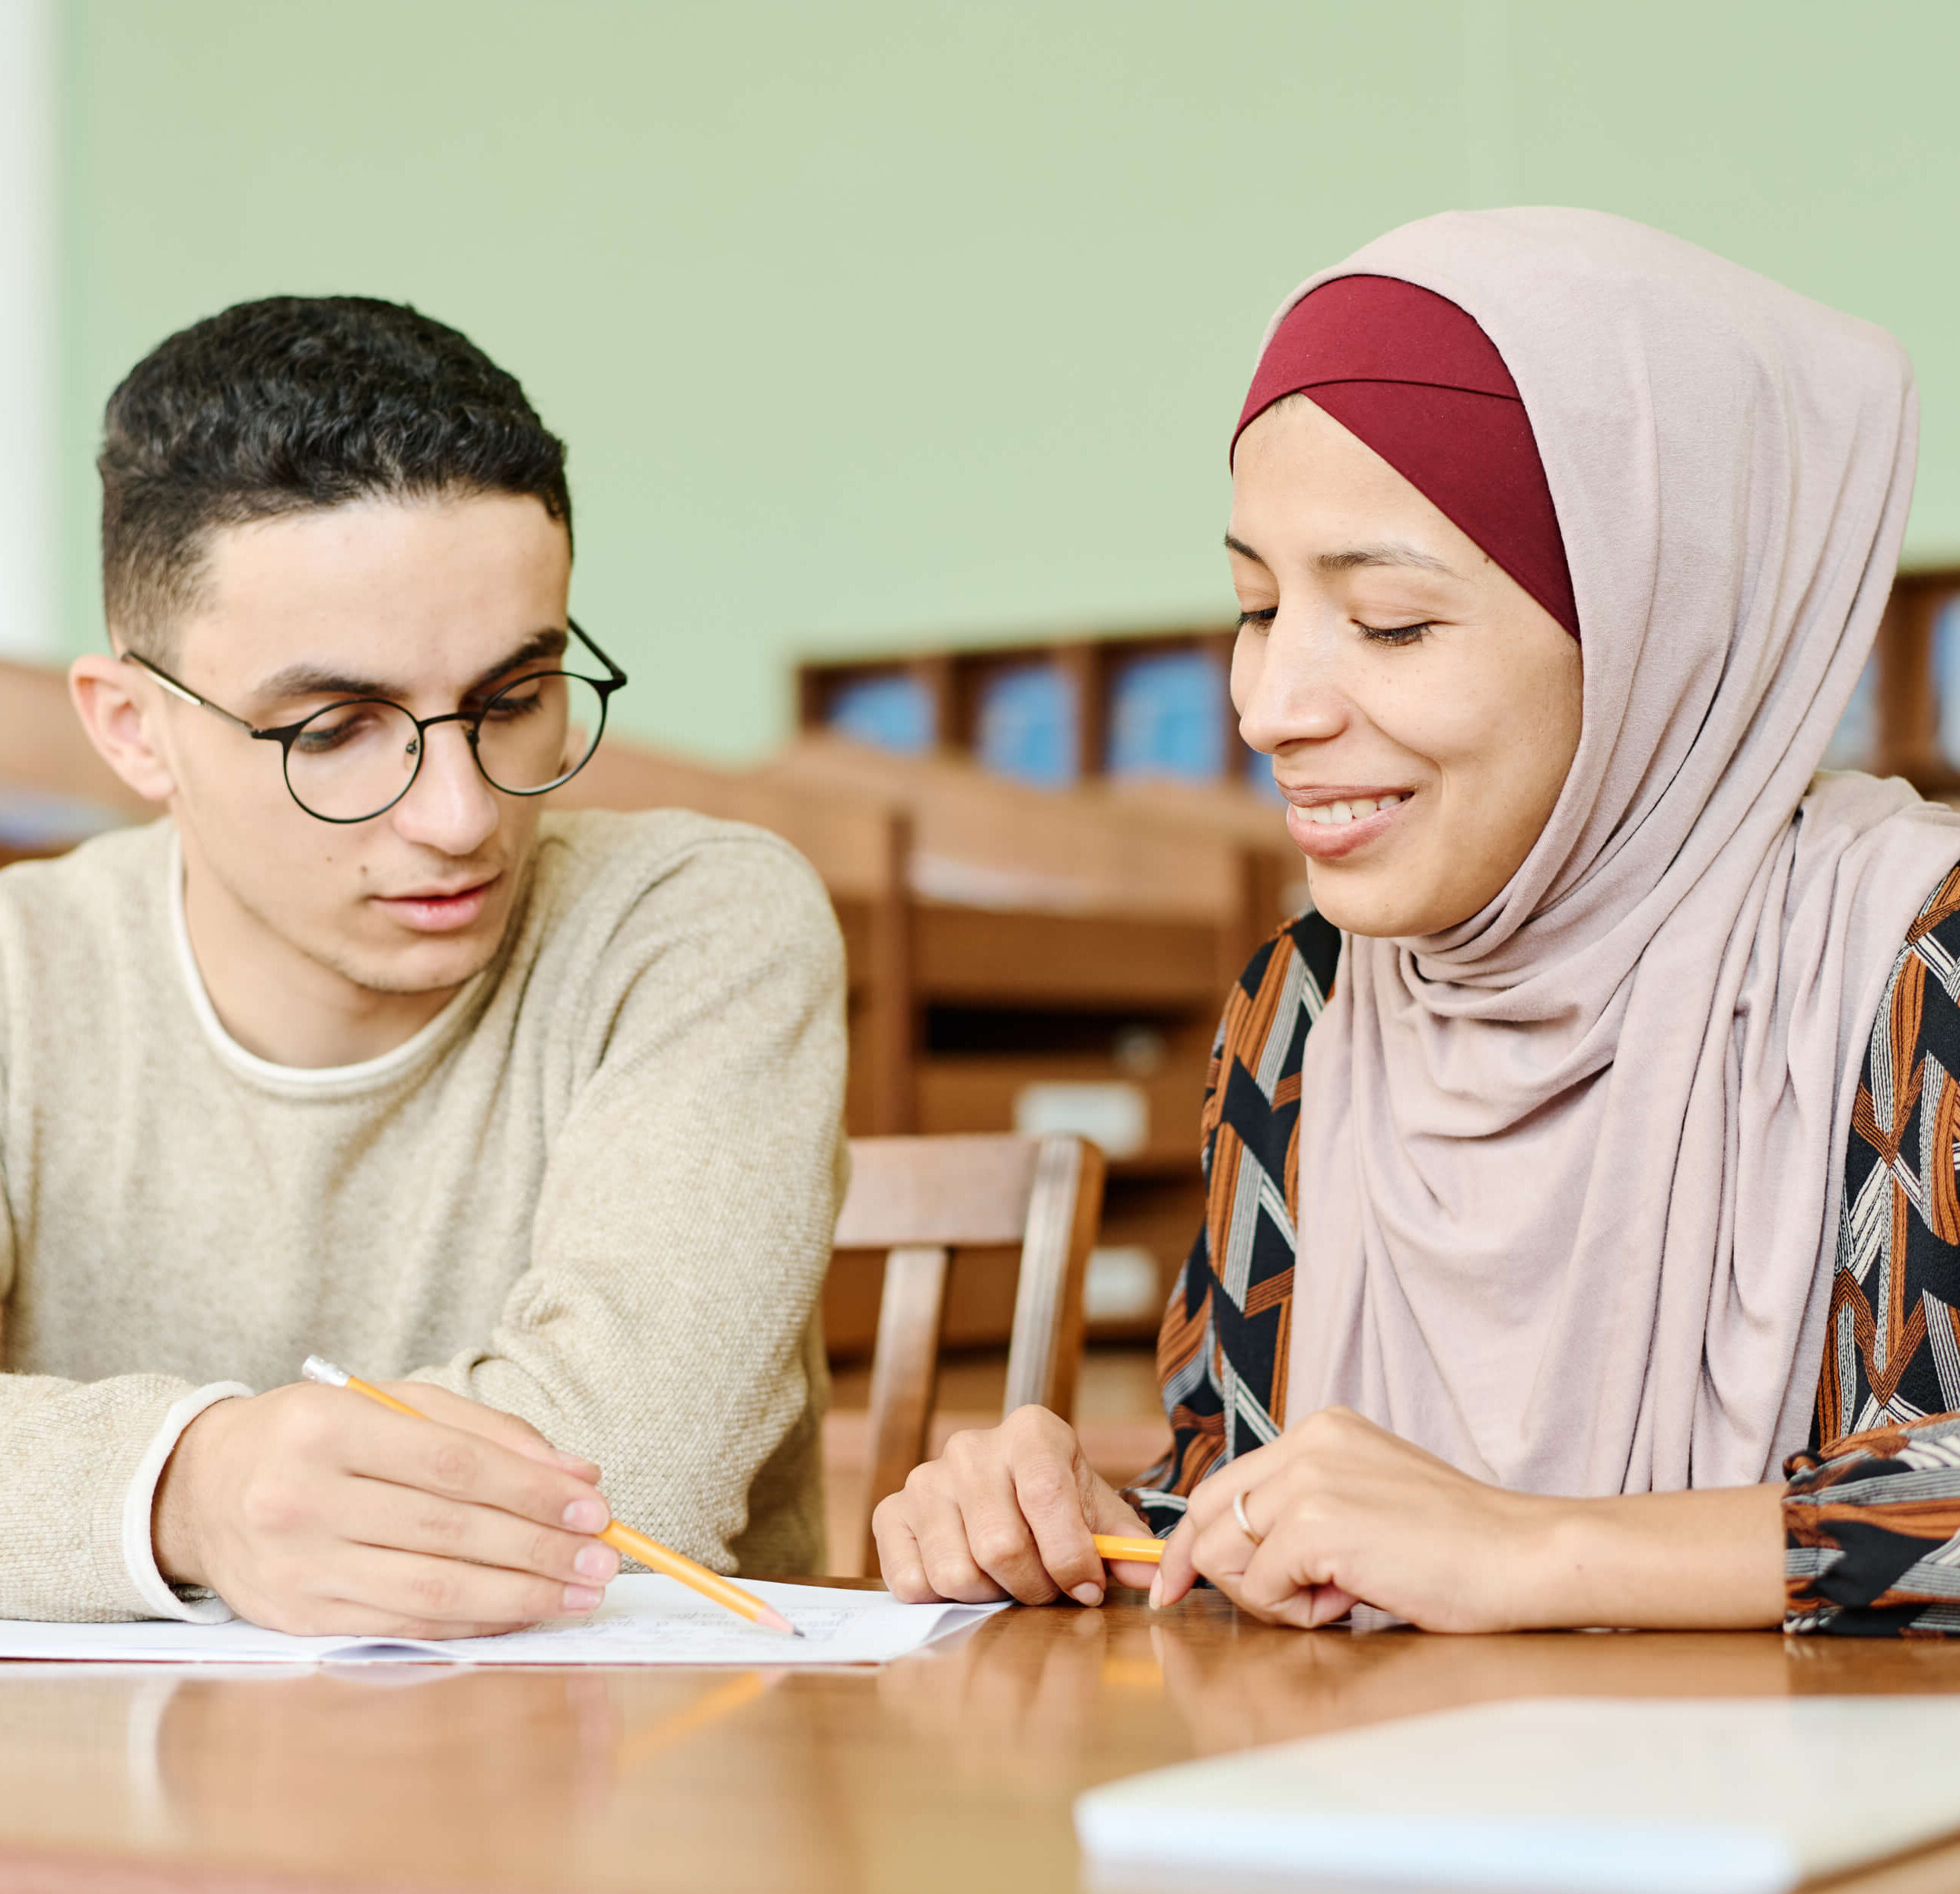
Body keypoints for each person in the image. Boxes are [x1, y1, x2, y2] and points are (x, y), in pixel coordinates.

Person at [874, 207, 1960, 1638]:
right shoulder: (1303, 1007)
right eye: (1258, 608)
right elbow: (1246, 1486)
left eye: (1388, 623)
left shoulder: (1908, 957)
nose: (1273, 710)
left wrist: (1527, 1553)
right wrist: (1071, 1525)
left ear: (1653, 633)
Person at [0, 296, 845, 1634]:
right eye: (336, 729)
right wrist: (190, 1487)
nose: (459, 814)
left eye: (513, 701)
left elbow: (631, 1495)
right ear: (134, 730)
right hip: (110, 1819)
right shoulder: (20, 978)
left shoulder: (695, 921)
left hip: (631, 1797)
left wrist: (116, 1495)